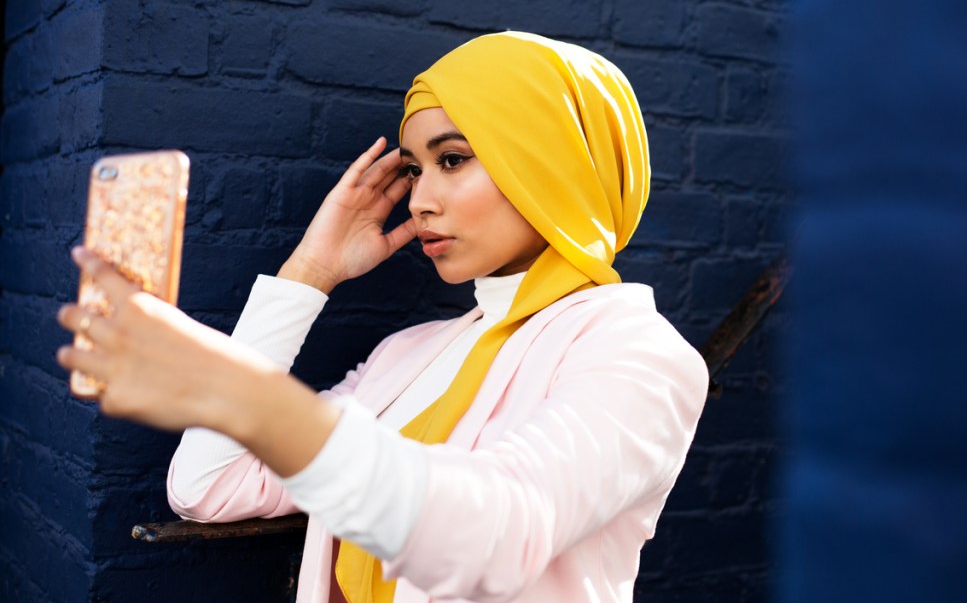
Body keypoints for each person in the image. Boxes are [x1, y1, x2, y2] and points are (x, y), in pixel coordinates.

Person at [56, 32, 709, 603]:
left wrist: (237, 391)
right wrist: (309, 274)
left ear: (555, 166)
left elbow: (499, 539)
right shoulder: (409, 354)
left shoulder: (639, 351)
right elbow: (207, 486)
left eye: (452, 160)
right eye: (414, 168)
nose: (420, 201)